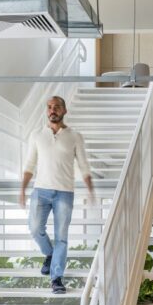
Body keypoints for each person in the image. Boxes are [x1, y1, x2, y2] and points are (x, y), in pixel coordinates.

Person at [20, 96, 93, 294]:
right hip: (40, 191)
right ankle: (49, 254)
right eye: (50, 107)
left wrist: (90, 187)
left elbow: (84, 165)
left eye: (57, 107)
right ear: (47, 111)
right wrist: (22, 189)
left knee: (62, 237)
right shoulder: (36, 135)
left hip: (64, 193)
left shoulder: (75, 136)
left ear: (64, 110)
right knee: (35, 229)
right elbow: (29, 165)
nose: (53, 110)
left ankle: (56, 278)